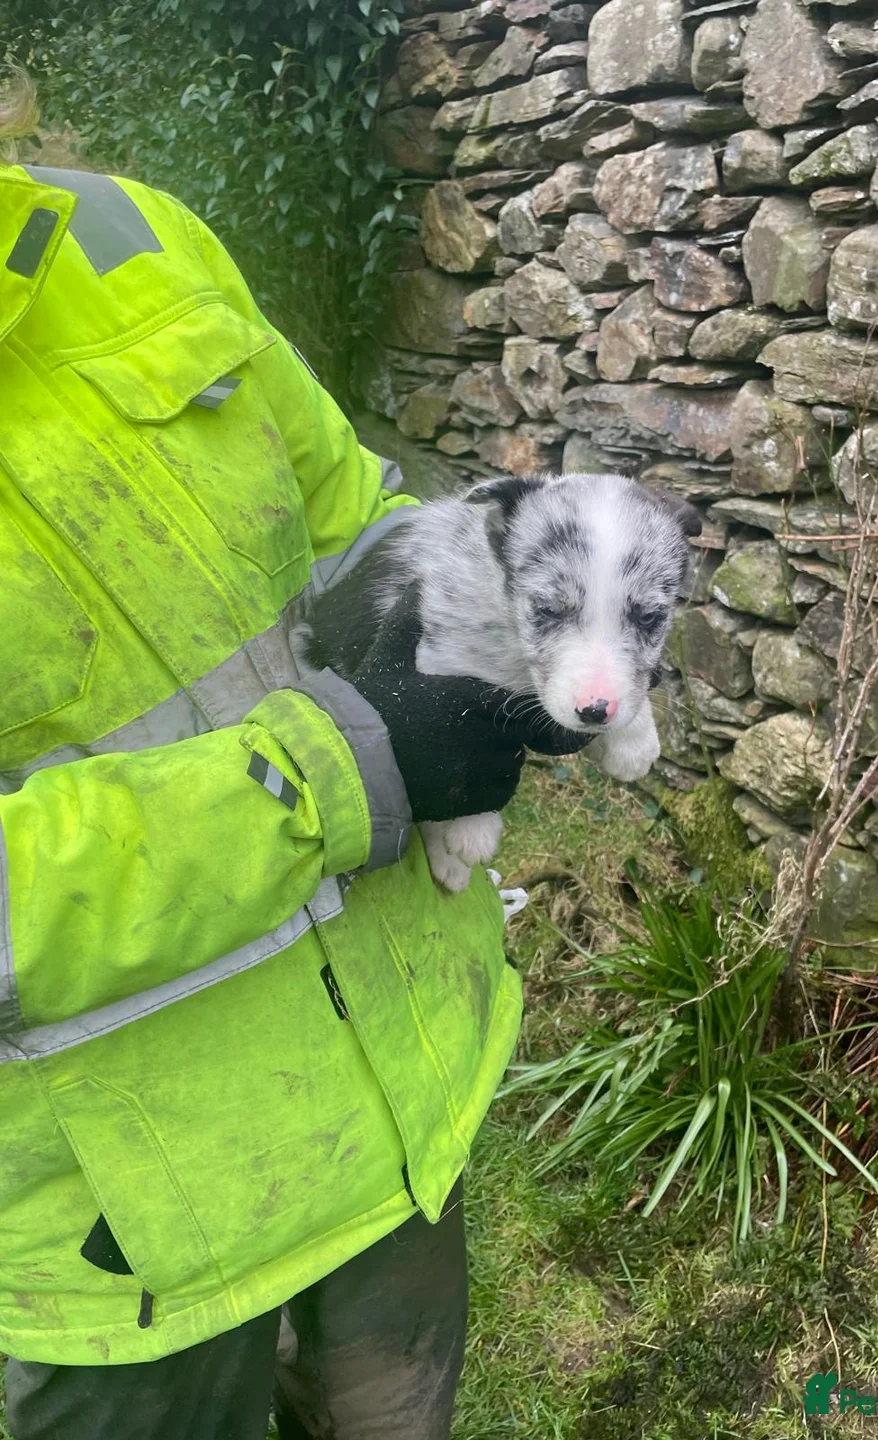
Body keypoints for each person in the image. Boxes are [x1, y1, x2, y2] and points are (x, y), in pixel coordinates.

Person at [0, 73, 586, 1440]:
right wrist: (353, 765)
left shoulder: (113, 233)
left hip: (396, 1104)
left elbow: (347, 518)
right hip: (114, 1248)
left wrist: (493, 597)